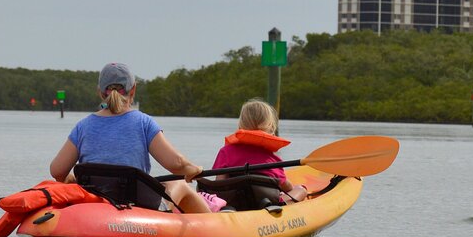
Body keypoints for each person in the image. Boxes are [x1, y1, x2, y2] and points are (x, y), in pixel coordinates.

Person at [49, 62, 211, 213]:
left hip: (95, 205)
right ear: (133, 89)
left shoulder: (83, 126)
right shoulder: (143, 122)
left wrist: (71, 179)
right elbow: (176, 164)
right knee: (179, 183)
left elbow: (57, 171)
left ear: (100, 92)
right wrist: (193, 169)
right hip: (137, 207)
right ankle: (214, 223)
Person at [212, 98, 307, 204]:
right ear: (270, 126)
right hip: (266, 202)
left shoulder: (225, 152)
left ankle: (227, 208)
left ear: (241, 124)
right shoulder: (271, 159)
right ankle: (282, 204)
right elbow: (286, 187)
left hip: (235, 201)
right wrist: (293, 188)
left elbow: (219, 184)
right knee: (301, 189)